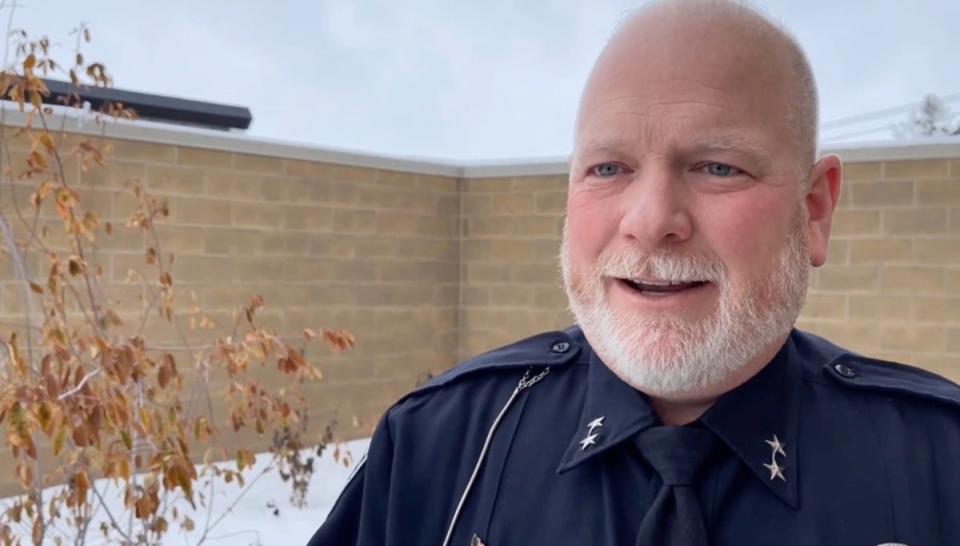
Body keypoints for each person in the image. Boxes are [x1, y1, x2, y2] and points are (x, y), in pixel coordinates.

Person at [309, 1, 960, 544]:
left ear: (813, 209)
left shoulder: (939, 467)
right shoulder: (437, 450)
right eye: (608, 168)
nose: (651, 222)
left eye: (717, 166)